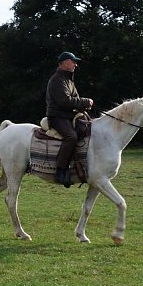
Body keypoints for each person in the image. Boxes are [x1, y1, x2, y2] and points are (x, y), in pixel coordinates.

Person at [46, 51, 93, 187]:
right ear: (65, 62)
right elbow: (64, 101)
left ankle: (79, 167)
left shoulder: (68, 80)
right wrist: (85, 101)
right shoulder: (57, 80)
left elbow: (75, 99)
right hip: (57, 116)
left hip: (68, 116)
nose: (76, 65)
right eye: (73, 62)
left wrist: (84, 107)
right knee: (71, 137)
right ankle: (60, 172)